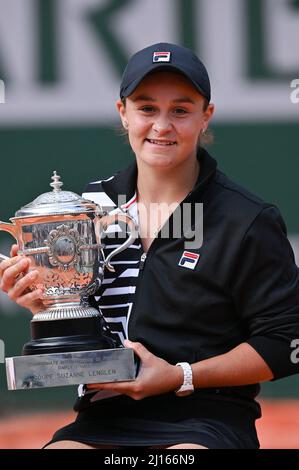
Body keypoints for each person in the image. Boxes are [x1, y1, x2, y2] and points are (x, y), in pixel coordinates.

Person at [1, 42, 299, 450]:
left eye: (180, 110)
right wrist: (46, 305)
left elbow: (286, 344)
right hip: (103, 419)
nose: (162, 126)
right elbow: (92, 328)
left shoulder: (245, 218)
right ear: (123, 113)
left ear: (205, 116)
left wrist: (181, 376)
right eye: (146, 108)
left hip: (208, 422)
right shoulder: (92, 208)